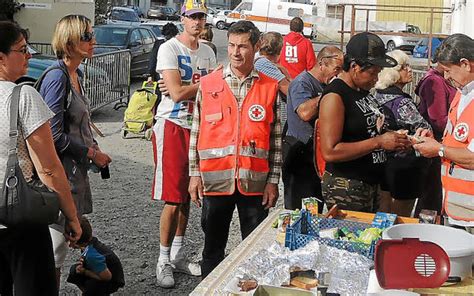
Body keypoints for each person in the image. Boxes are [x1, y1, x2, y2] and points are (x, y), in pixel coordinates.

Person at [188, 20, 281, 278]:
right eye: (231, 46)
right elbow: (196, 133)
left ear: (256, 46)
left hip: (254, 185)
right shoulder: (209, 85)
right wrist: (194, 174)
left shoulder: (269, 88)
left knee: (254, 251)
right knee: (212, 250)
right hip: (216, 183)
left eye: (242, 46)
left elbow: (275, 141)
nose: (235, 52)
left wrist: (273, 182)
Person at [0, 20, 81, 295]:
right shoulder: (23, 96)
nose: (30, 55)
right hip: (19, 217)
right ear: (1, 58)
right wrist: (71, 217)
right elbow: (48, 168)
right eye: (22, 50)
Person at [37, 14, 112, 287]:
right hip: (58, 176)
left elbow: (76, 125)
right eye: (87, 36)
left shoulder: (75, 74)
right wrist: (90, 154)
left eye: (92, 35)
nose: (94, 41)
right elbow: (52, 135)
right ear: (69, 43)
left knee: (62, 245)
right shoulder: (57, 78)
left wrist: (93, 148)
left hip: (73, 173)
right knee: (55, 249)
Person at [152, 0, 216, 288]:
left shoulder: (208, 51)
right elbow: (176, 94)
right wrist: (207, 84)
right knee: (173, 196)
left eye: (201, 17)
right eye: (193, 17)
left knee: (190, 192)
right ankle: (162, 259)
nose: (198, 22)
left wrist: (194, 88)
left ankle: (177, 254)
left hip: (198, 127)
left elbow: (212, 93)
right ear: (182, 19)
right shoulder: (170, 48)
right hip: (173, 125)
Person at [318, 32, 411, 212]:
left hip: (369, 184)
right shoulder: (335, 96)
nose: (376, 79)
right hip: (347, 186)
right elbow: (330, 151)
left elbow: (368, 131)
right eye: (372, 73)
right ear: (354, 67)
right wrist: (379, 142)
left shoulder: (361, 90)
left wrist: (395, 140)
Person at [414, 33, 474, 225]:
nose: (446, 77)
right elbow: (458, 140)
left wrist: (438, 149)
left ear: (466, 64)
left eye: (448, 70)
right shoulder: (463, 93)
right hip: (456, 208)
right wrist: (436, 142)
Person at [283, 46, 343, 210]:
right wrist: (329, 93)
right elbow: (304, 112)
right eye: (336, 69)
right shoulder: (302, 82)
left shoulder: (325, 84)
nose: (337, 74)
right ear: (322, 64)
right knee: (299, 209)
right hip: (299, 153)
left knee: (316, 206)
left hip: (316, 155)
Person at [374, 50, 432, 216]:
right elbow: (425, 129)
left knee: (383, 214)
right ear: (392, 73)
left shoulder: (378, 95)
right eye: (403, 67)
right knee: (401, 218)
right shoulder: (403, 102)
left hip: (384, 164)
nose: (410, 69)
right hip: (405, 166)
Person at [414, 58, 456, 216]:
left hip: (442, 145)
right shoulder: (436, 81)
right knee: (432, 197)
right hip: (439, 145)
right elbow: (438, 118)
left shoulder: (441, 80)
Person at [67, 216, 125, 295]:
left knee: (92, 286)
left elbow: (106, 277)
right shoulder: (90, 243)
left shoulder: (92, 255)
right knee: (74, 271)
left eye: (69, 240)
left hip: (111, 280)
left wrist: (85, 271)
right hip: (102, 270)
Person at [254, 31, 291, 97]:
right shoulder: (264, 64)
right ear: (279, 49)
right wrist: (288, 77)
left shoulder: (259, 61)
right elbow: (289, 91)